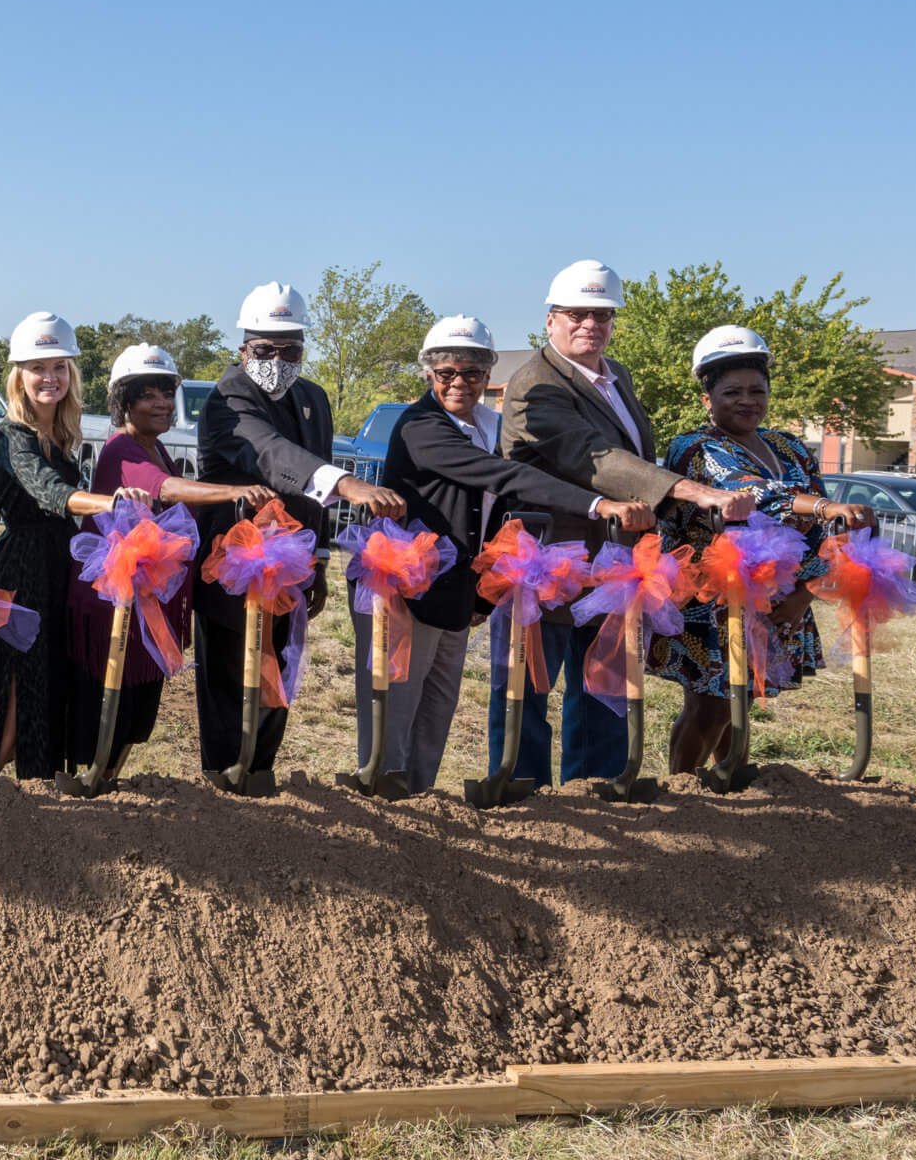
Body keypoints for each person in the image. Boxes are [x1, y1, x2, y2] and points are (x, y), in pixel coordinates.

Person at [359, 317, 649, 791]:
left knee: (435, 719)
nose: (459, 383)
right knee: (397, 714)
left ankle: (420, 812)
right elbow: (504, 478)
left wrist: (480, 598)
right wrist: (598, 503)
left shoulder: (488, 424)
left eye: (472, 373)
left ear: (488, 374)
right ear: (428, 374)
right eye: (447, 372)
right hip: (407, 587)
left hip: (453, 591)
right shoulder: (421, 427)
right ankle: (380, 809)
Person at [499, 260, 753, 782]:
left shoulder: (618, 377)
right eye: (576, 314)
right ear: (551, 320)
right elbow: (593, 456)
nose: (590, 324)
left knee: (603, 681)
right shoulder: (534, 384)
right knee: (528, 686)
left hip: (611, 560)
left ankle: (596, 786)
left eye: (602, 314)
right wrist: (691, 490)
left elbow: (631, 450)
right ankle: (521, 794)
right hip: (549, 559)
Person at [193, 283, 405, 781]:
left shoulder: (312, 397)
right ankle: (224, 779)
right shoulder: (227, 398)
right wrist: (347, 484)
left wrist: (321, 564)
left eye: (290, 348)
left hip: (291, 566)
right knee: (231, 675)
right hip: (233, 566)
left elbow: (311, 493)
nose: (277, 358)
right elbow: (270, 453)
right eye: (265, 348)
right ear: (243, 347)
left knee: (279, 670)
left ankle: (260, 772)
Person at [656, 325, 873, 774]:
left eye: (757, 390)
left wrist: (806, 592)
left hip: (778, 598)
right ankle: (685, 793)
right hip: (712, 598)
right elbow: (753, 492)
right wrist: (824, 506)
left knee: (741, 699)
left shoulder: (788, 447)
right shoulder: (695, 447)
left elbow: (821, 529)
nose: (747, 400)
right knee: (712, 702)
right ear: (707, 399)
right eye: (732, 391)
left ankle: (729, 782)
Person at [72, 344, 275, 776]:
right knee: (113, 706)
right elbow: (167, 489)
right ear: (123, 402)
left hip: (146, 607)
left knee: (137, 714)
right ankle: (93, 784)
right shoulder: (122, 451)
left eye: (167, 393)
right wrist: (233, 491)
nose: (163, 404)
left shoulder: (153, 447)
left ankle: (107, 780)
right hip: (119, 609)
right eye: (148, 395)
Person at [0, 312, 137, 782]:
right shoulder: (10, 435)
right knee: (18, 691)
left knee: (51, 684)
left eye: (59, 367)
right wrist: (111, 501)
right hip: (19, 572)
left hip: (59, 566)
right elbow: (50, 494)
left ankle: (37, 793)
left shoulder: (63, 435)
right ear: (18, 375)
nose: (50, 377)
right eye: (38, 368)